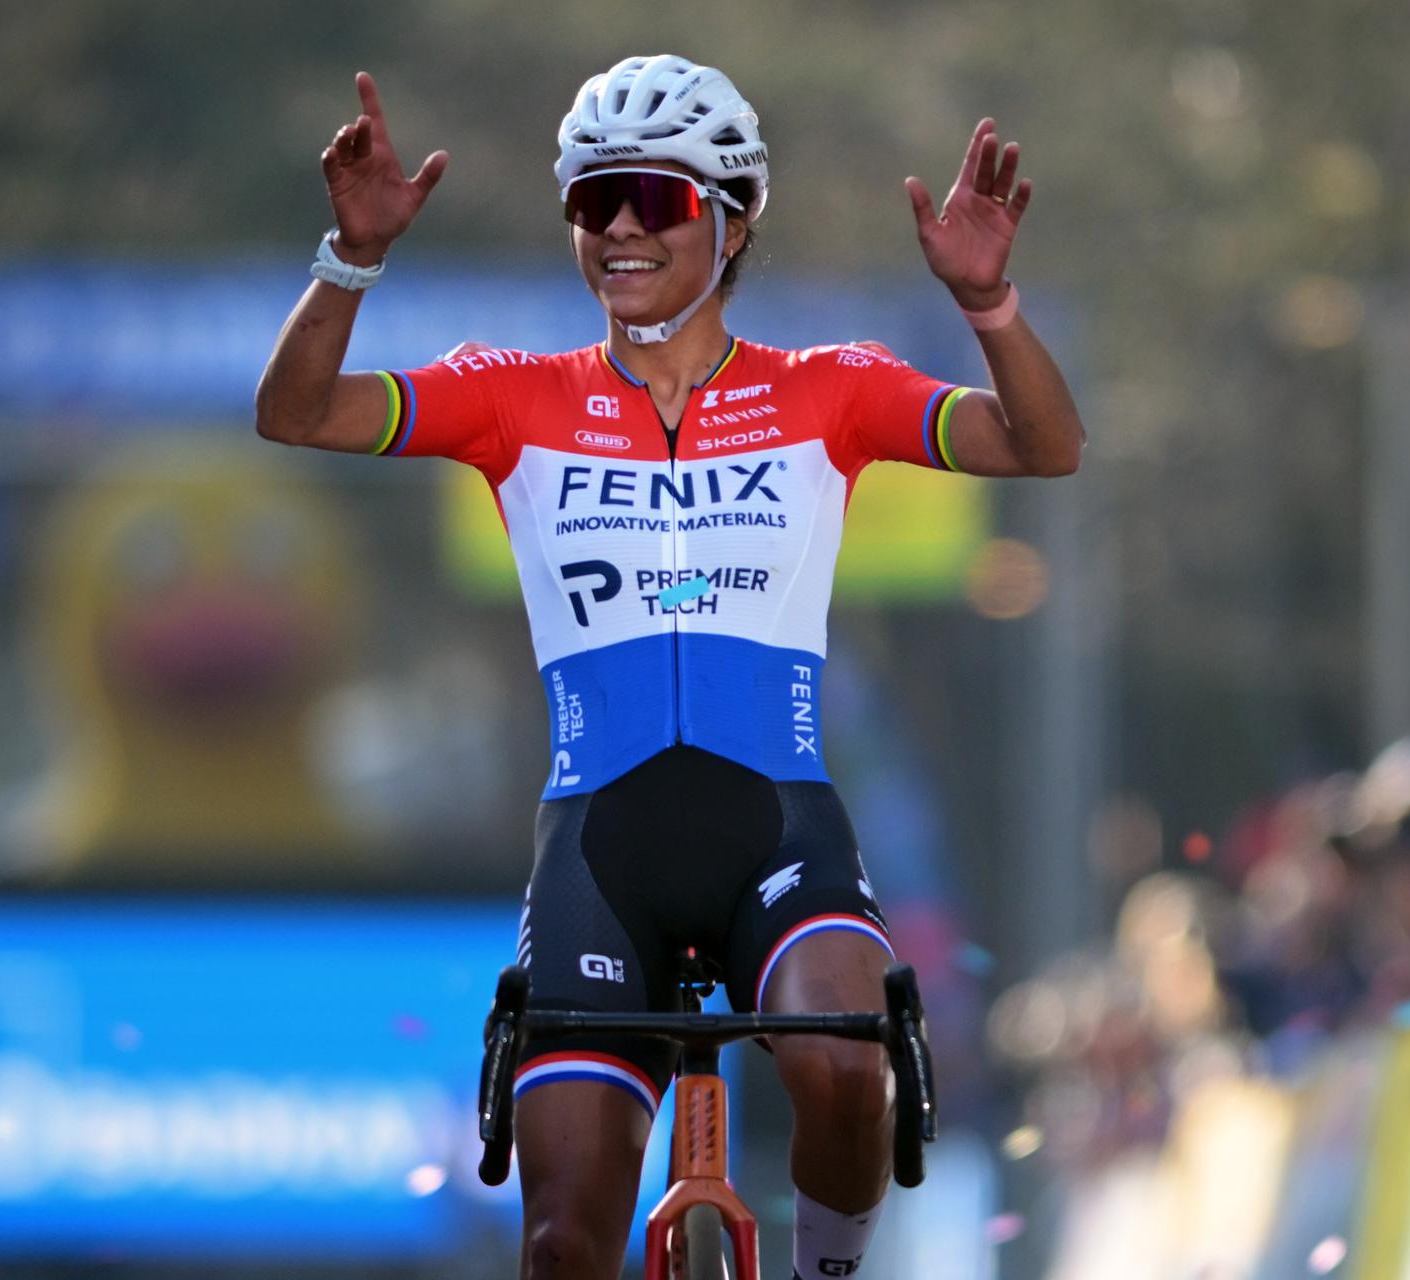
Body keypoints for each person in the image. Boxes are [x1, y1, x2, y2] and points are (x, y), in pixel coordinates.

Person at [257, 53, 1084, 1280]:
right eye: (596, 202)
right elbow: (295, 411)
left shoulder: (830, 390)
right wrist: (352, 259)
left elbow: (1044, 444)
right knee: (562, 1236)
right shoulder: (513, 395)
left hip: (778, 823)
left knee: (848, 1064)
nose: (625, 229)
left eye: (660, 198)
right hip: (603, 846)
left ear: (734, 216)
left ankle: (827, 1271)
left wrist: (988, 306)